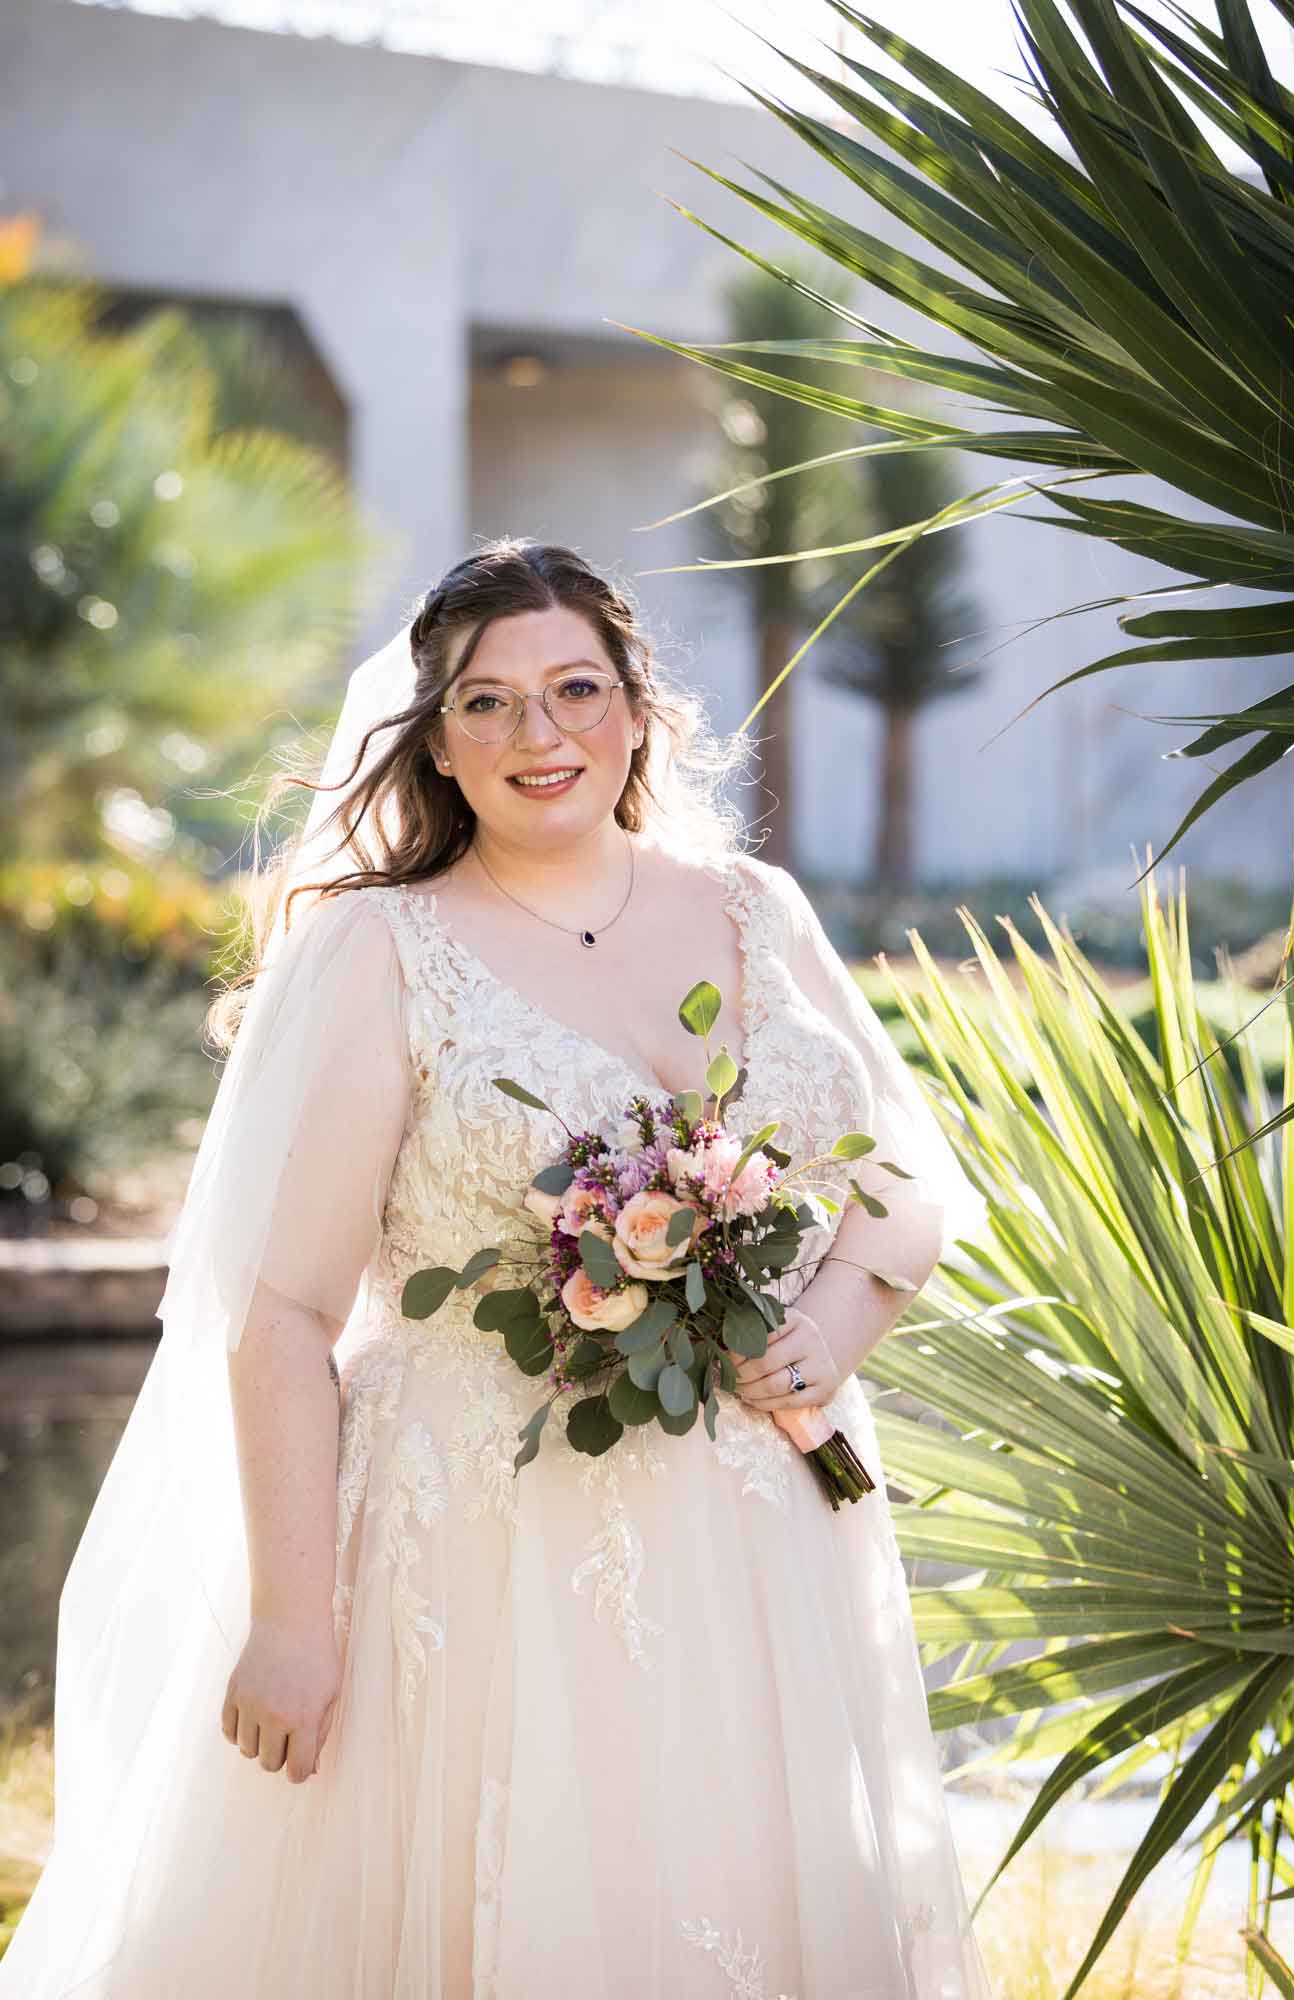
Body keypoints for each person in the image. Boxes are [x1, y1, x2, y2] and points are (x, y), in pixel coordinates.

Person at [1, 538, 993, 1999]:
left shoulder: (751, 912)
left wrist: (834, 1324)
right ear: (440, 743)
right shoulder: (380, 953)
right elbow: (279, 1316)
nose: (542, 735)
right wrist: (292, 1619)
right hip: (476, 1540)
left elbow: (900, 1184)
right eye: (490, 703)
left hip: (757, 1533)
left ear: (638, 711)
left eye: (576, 689)